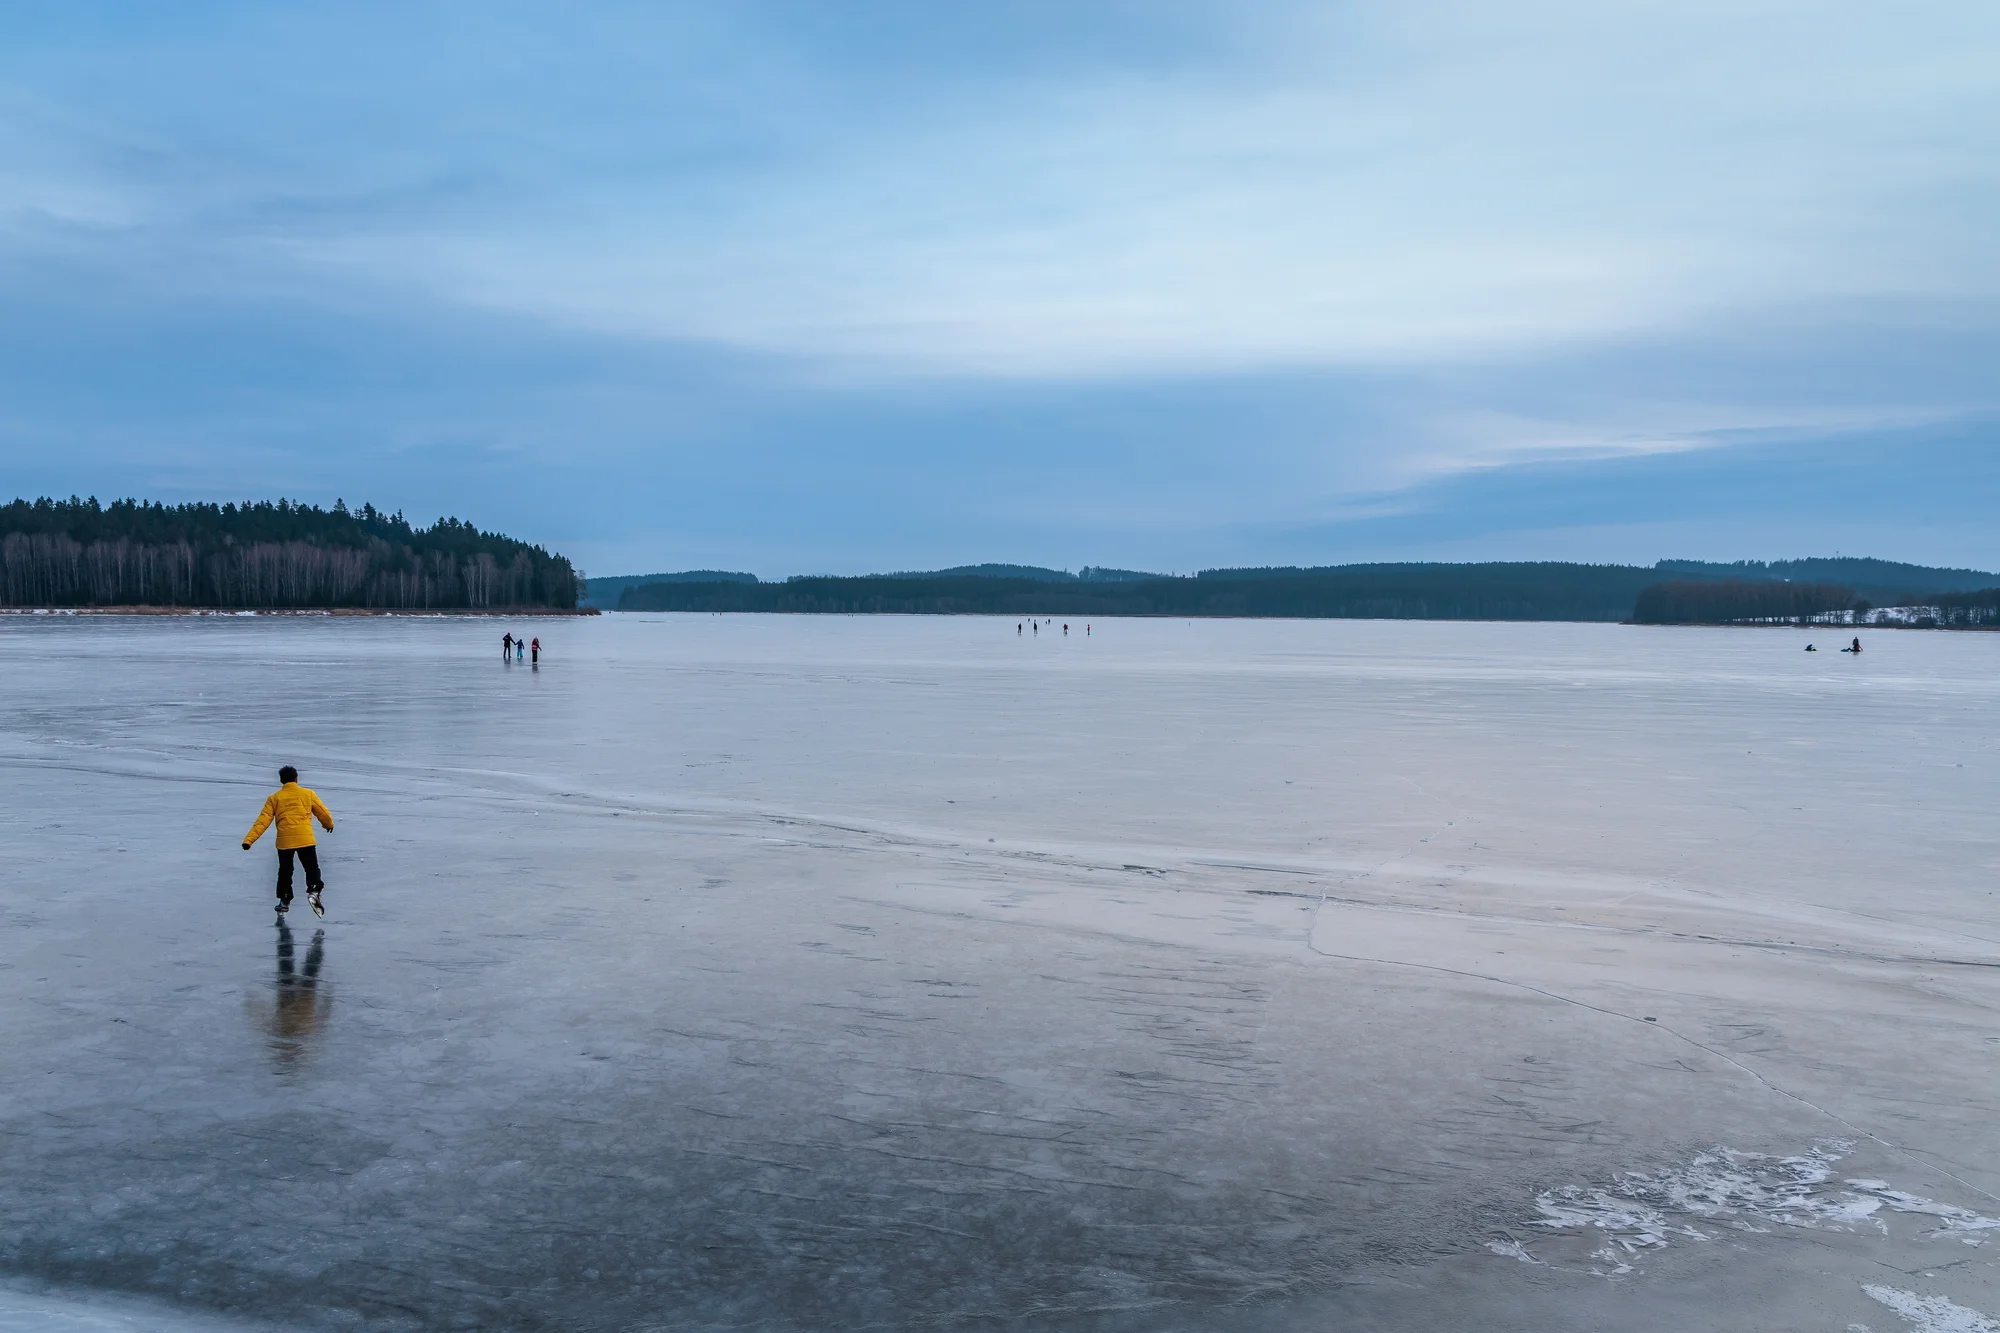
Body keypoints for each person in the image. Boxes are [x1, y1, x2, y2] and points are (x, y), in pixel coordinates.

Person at [243, 766, 335, 917]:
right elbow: (323, 812)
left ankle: (284, 901)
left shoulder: (274, 798)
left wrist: (249, 841)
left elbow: (262, 821)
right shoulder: (308, 794)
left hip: (285, 842)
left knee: (285, 871)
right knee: (311, 867)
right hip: (305, 839)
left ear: (281, 780)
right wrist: (328, 825)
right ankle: (314, 890)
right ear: (296, 778)